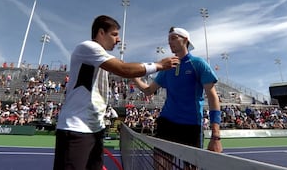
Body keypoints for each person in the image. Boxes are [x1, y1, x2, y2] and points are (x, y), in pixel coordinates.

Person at [53, 15, 179, 170]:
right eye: (114, 34)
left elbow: (124, 68)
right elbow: (123, 69)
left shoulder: (98, 56)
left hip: (94, 129)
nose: (118, 39)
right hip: (76, 129)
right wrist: (158, 65)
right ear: (101, 33)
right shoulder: (88, 47)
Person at [132, 27, 223, 167]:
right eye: (169, 40)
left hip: (191, 126)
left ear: (185, 40)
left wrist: (215, 135)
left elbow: (212, 97)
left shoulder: (198, 64)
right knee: (161, 165)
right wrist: (134, 77)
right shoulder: (166, 67)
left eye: (174, 38)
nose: (170, 42)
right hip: (167, 123)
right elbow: (149, 90)